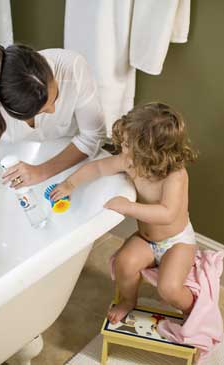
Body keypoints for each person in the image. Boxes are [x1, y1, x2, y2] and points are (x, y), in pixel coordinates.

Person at [0, 40, 106, 282]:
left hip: (69, 154)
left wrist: (41, 172)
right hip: (23, 155)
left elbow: (94, 136)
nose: (52, 110)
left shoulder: (72, 68)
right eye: (40, 110)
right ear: (11, 111)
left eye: (56, 95)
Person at [50, 102, 198, 323]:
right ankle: (129, 300)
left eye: (129, 145)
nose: (123, 149)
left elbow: (167, 214)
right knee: (124, 263)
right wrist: (70, 185)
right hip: (147, 240)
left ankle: (194, 310)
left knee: (169, 290)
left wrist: (128, 207)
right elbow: (99, 167)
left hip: (177, 242)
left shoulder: (175, 176)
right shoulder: (131, 161)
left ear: (151, 152)